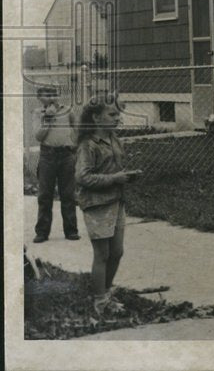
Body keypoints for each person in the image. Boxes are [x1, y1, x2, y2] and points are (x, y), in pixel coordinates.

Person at [75, 92, 142, 315]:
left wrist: (127, 175)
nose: (117, 118)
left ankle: (106, 292)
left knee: (117, 252)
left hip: (116, 201)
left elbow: (113, 169)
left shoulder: (114, 139)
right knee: (102, 254)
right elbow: (83, 177)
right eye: (112, 114)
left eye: (118, 114)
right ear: (95, 118)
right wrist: (115, 179)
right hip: (97, 204)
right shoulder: (88, 144)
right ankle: (99, 301)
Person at [32, 85, 80, 243]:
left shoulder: (67, 110)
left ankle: (71, 230)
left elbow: (76, 128)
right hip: (48, 156)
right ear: (40, 98)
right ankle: (42, 232)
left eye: (54, 94)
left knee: (68, 194)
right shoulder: (38, 113)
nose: (52, 98)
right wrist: (48, 118)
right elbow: (39, 136)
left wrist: (73, 143)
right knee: (45, 195)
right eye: (47, 95)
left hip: (66, 155)